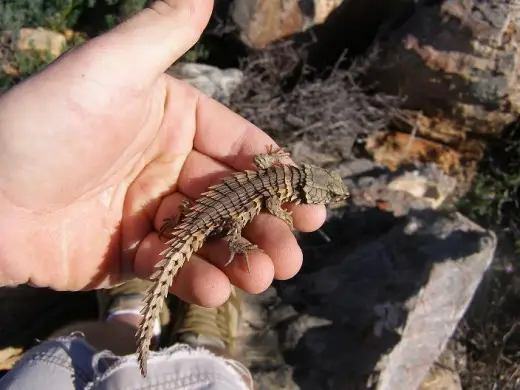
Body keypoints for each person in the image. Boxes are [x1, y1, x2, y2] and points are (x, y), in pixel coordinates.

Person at [0, 1, 326, 389]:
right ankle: (198, 340)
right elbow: (270, 202)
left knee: (198, 240)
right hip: (219, 212)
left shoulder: (275, 173)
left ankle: (131, 316)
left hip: (206, 210)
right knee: (222, 260)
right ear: (303, 185)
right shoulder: (279, 186)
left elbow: (266, 187)